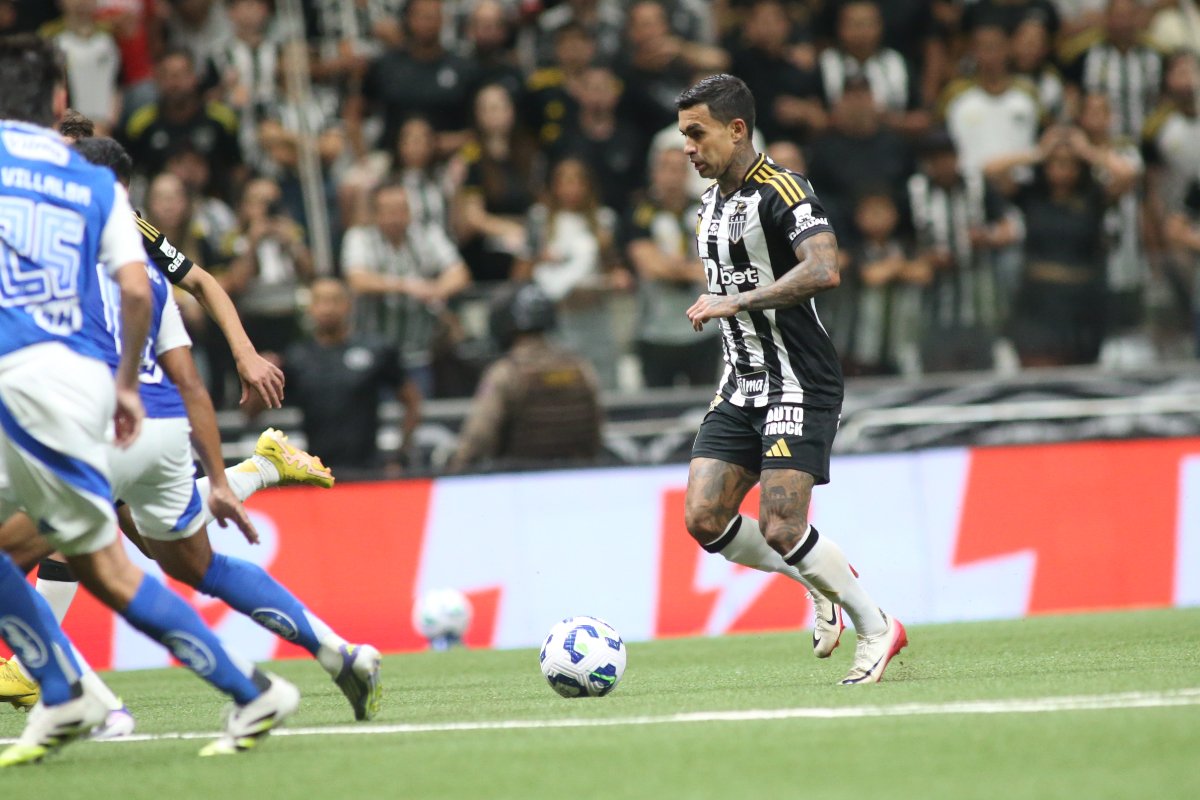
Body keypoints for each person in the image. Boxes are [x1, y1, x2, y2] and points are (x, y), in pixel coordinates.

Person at [0, 34, 293, 765]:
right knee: (106, 566)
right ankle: (242, 690)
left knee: (96, 560)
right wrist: (127, 381)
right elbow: (140, 290)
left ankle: (62, 688)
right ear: (61, 104)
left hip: (24, 385)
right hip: (82, 386)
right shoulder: (98, 189)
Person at [677, 74, 906, 684]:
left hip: (797, 380)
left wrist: (736, 301)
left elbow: (825, 267)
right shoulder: (711, 203)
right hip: (739, 382)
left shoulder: (783, 189)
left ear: (737, 129)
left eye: (697, 134)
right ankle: (818, 583)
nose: (689, 148)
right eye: (683, 137)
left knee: (783, 525)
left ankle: (878, 627)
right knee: (704, 518)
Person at [450, 283, 603, 471]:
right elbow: (596, 432)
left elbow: (478, 437)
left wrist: (455, 470)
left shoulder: (505, 373)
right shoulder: (581, 368)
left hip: (519, 482)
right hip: (575, 479)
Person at [342, 180, 471, 398]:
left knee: (419, 418)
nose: (396, 217)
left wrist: (437, 290)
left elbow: (460, 274)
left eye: (402, 210)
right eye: (389, 211)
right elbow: (358, 280)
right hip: (372, 356)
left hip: (417, 356)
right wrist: (408, 285)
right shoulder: (360, 237)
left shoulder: (427, 235)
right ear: (376, 213)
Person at [283, 278, 419, 475]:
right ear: (310, 308)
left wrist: (400, 454)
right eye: (320, 301)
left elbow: (412, 401)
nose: (327, 308)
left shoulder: (376, 350)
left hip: (367, 469)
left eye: (334, 300)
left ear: (348, 305)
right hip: (317, 473)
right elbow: (254, 411)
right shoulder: (297, 357)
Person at [626, 148, 720, 388]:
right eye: (666, 168)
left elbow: (716, 265)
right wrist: (692, 270)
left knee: (706, 402)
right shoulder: (640, 212)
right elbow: (649, 266)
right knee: (657, 409)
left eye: (679, 169)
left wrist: (670, 266)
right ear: (654, 173)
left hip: (704, 329)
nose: (672, 176)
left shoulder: (706, 207)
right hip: (656, 331)